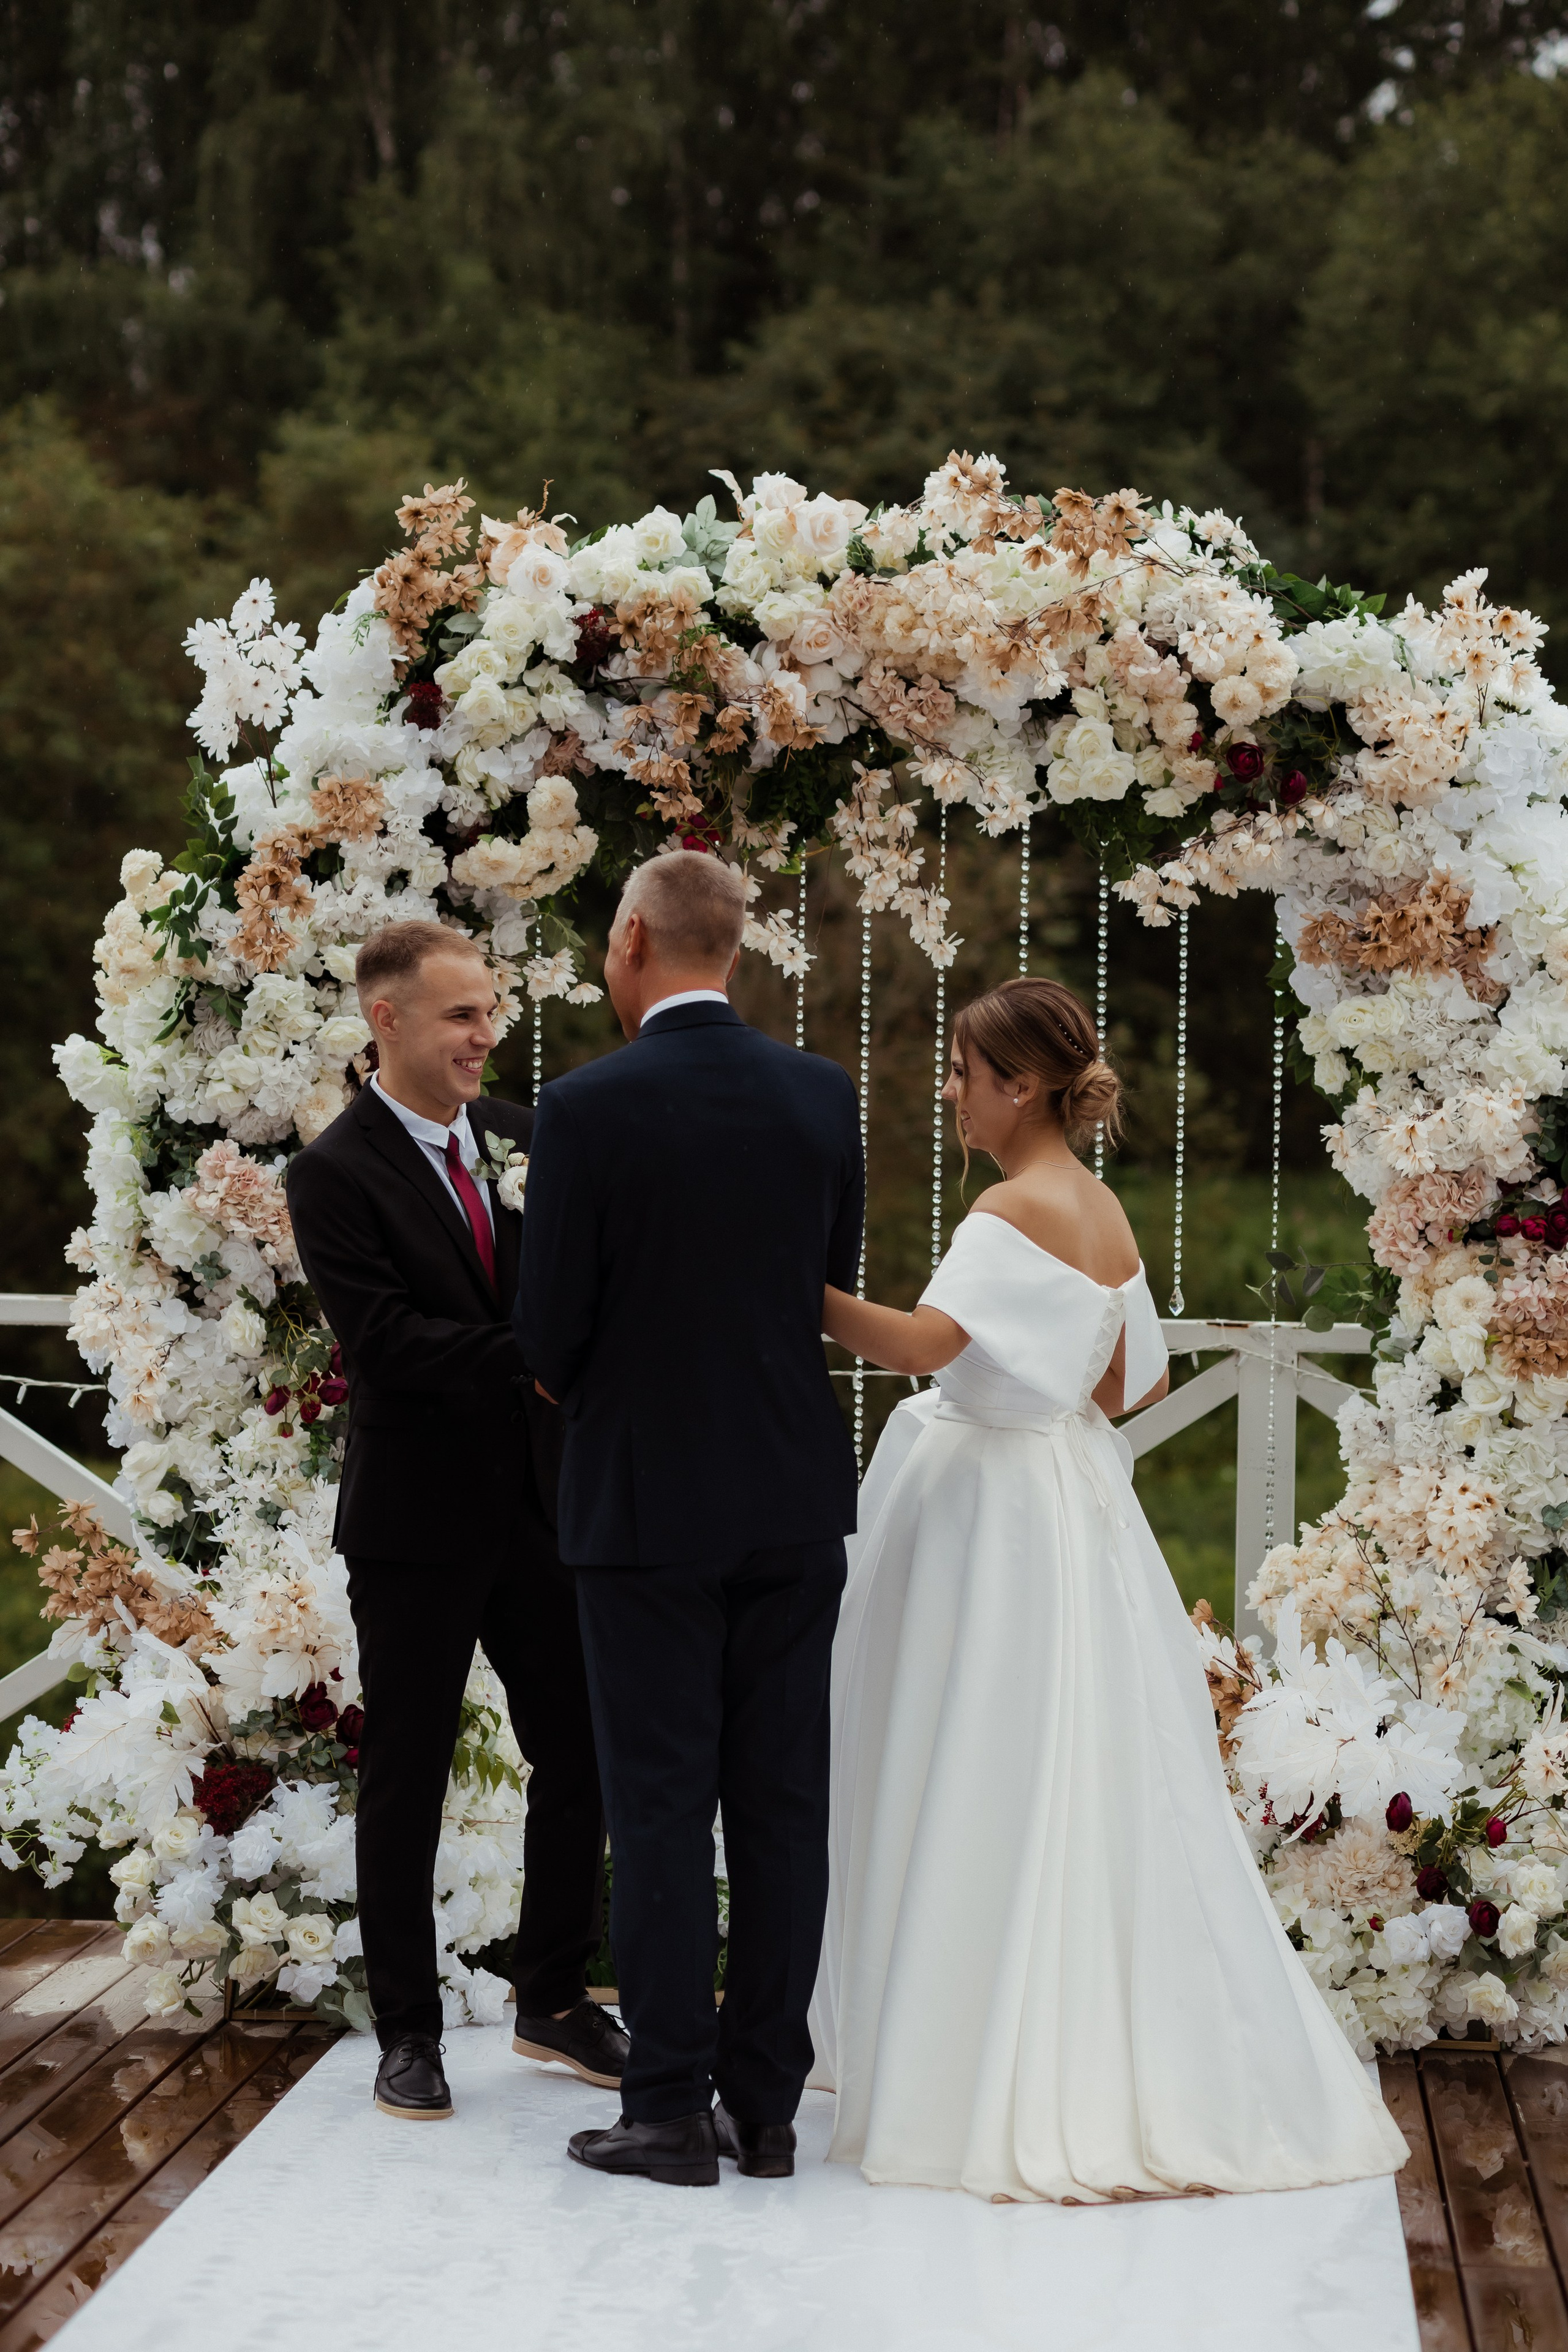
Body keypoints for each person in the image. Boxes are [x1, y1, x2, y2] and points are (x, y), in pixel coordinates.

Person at [809, 974, 1408, 2203]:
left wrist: (782, 1289)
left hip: (984, 1512)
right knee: (1062, 1769)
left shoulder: (1003, 1212)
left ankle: (963, 2044)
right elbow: (1129, 1384)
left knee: (968, 1756)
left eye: (964, 1072)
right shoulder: (1101, 1212)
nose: (951, 1090)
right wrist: (1033, 1395)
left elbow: (921, 1349)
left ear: (1018, 1085)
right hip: (1068, 1504)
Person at [516, 852, 864, 2187]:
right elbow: (820, 1283)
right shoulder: (818, 1096)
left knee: (659, 1806)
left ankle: (664, 2107)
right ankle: (766, 2111)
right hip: (787, 1495)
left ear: (630, 944)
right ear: (735, 950)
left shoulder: (584, 1107)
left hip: (644, 1508)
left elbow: (545, 1336)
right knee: (780, 1805)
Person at [286, 921, 621, 2124]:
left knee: (580, 1752)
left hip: (543, 1507)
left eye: (490, 1011)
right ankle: (409, 2034)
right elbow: (384, 1344)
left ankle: (553, 1998)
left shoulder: (526, 1138)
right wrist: (542, 1355)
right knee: (408, 1778)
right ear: (388, 1020)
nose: (487, 1035)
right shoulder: (330, 1174)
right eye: (462, 1015)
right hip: (415, 1520)